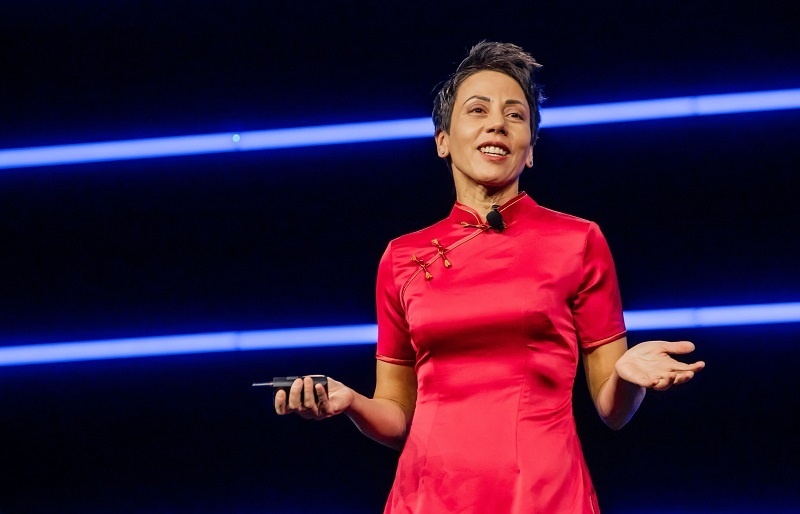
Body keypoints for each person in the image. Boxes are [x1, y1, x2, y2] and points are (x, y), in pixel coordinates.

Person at [274, 41, 705, 513]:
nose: (497, 123)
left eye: (515, 115)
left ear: (530, 150)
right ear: (443, 140)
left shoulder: (578, 240)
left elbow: (612, 411)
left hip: (544, 494)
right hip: (428, 496)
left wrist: (627, 377)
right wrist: (351, 402)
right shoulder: (401, 257)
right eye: (477, 110)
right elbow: (397, 417)